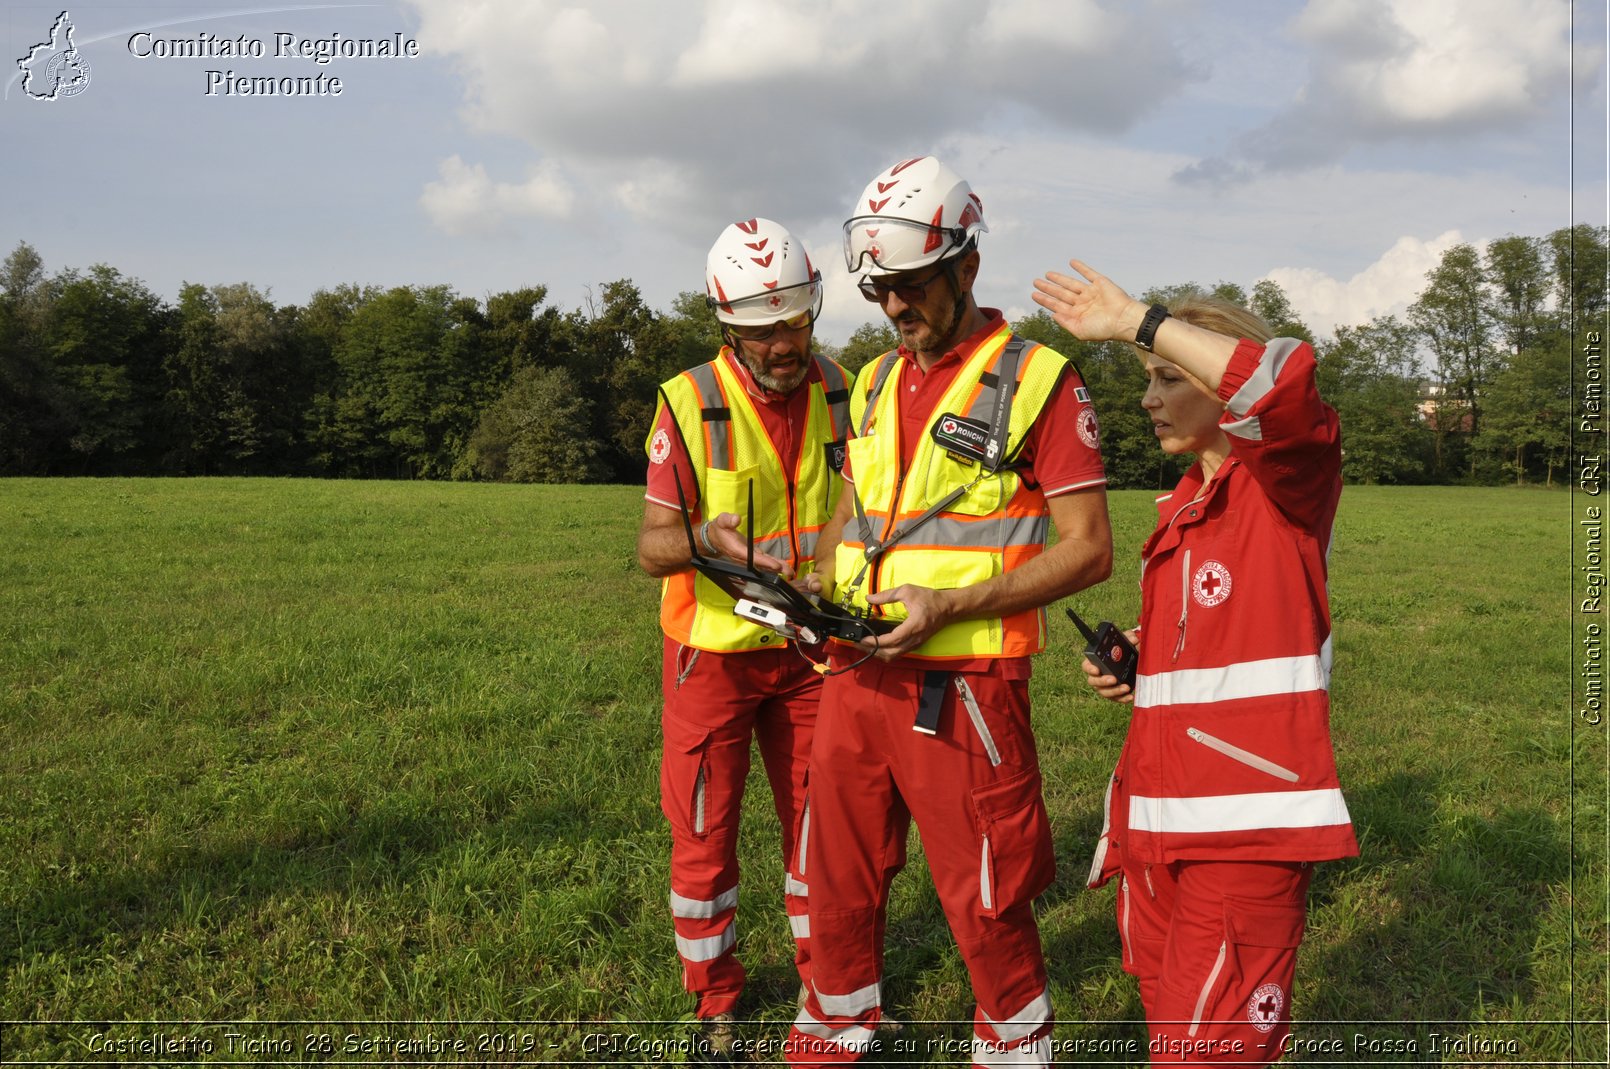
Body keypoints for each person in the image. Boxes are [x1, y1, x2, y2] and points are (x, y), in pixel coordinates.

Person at [785, 158, 1113, 1068]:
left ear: (967, 266)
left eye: (912, 287)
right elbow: (858, 509)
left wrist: (952, 604)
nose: (895, 308)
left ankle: (1014, 1043)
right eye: (880, 290)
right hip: (856, 669)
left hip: (964, 682)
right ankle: (836, 1031)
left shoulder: (1042, 379)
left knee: (985, 886)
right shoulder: (879, 381)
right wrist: (815, 592)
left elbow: (1090, 546)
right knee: (836, 870)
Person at [1031, 260, 1359, 1065]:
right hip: (1157, 824)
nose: (1147, 398)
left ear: (1221, 386)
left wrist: (1138, 320)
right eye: (1147, 379)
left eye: (1167, 377)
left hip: (1242, 836)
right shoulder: (1180, 511)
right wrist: (1140, 669)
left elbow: (1285, 381)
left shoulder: (1286, 487)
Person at [637, 218, 852, 1057]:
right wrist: (707, 542)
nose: (781, 344)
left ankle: (824, 988)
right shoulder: (685, 400)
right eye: (762, 331)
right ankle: (715, 999)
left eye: (794, 322)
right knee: (704, 834)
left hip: (811, 654)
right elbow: (650, 545)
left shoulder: (846, 388)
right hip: (713, 658)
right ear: (728, 327)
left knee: (821, 830)